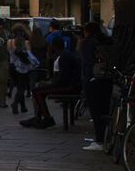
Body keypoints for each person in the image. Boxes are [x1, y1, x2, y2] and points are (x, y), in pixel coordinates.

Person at [22, 36, 80, 128]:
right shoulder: (65, 55)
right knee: (39, 90)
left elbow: (63, 79)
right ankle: (39, 117)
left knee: (37, 91)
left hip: (69, 86)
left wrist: (50, 83)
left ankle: (46, 117)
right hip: (70, 84)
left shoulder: (64, 57)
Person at [80, 17, 112, 151]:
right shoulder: (107, 41)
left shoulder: (88, 42)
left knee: (95, 111)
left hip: (93, 79)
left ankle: (100, 140)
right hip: (107, 78)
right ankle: (106, 138)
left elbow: (87, 61)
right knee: (105, 110)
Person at [8, 23, 36, 114]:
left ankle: (23, 106)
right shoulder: (26, 42)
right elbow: (29, 55)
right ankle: (15, 103)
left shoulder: (10, 42)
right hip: (23, 67)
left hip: (12, 66)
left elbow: (9, 53)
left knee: (18, 86)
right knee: (22, 87)